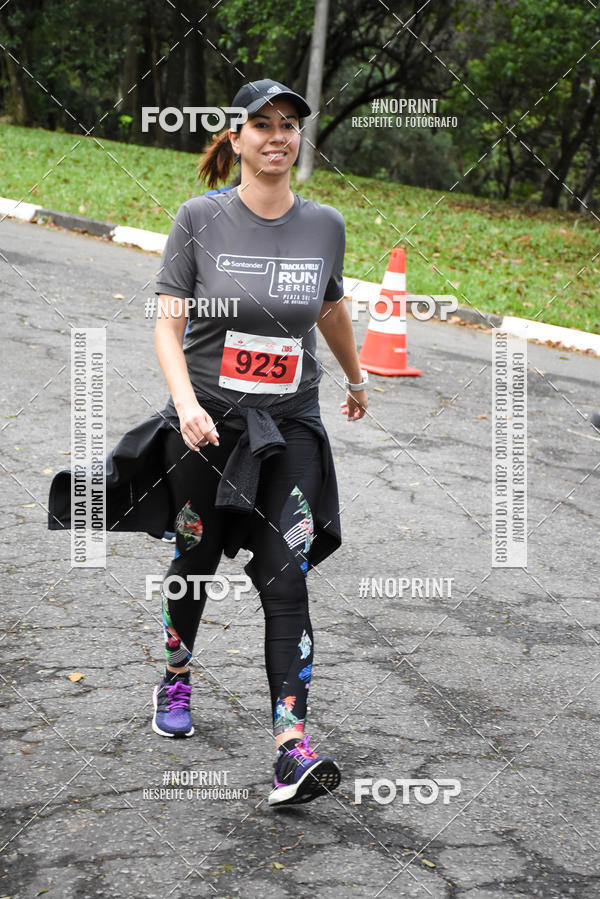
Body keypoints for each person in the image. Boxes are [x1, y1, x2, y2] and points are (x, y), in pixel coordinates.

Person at [49, 78, 369, 807]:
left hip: (289, 423)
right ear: (234, 139)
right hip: (207, 420)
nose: (279, 136)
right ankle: (176, 674)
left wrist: (355, 377)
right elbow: (166, 321)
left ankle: (292, 747)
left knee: (286, 573)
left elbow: (330, 305)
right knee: (194, 555)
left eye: (289, 124)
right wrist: (186, 403)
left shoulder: (326, 225)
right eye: (262, 124)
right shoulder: (199, 218)